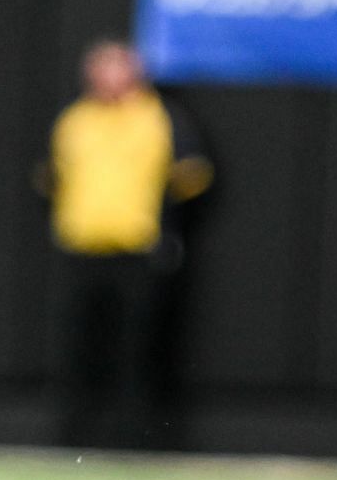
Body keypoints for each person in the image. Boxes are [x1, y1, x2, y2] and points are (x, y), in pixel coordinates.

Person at [43, 40, 212, 446]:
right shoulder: (76, 120)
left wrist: (169, 226)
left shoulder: (159, 117)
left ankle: (135, 439)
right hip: (82, 251)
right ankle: (74, 439)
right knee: (79, 349)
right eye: (101, 69)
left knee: (136, 352)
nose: (107, 79)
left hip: (138, 253)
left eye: (116, 68)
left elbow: (192, 177)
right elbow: (51, 178)